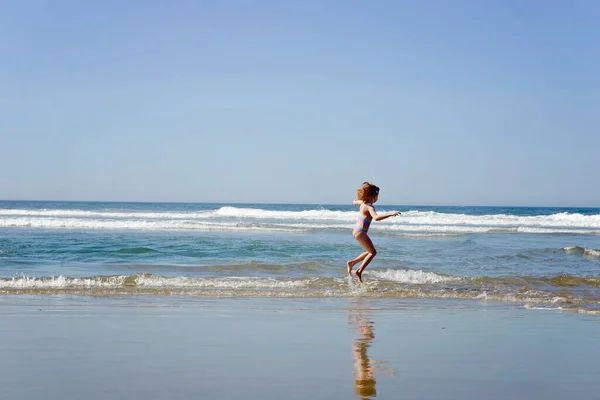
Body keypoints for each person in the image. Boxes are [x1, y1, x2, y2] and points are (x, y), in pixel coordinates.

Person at [347, 182, 400, 283]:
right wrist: (390, 213)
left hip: (356, 231)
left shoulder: (363, 202)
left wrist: (354, 201)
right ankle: (359, 271)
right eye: (377, 196)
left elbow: (356, 202)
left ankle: (351, 263)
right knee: (373, 252)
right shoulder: (370, 207)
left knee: (369, 251)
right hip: (361, 232)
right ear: (373, 196)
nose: (377, 198)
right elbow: (376, 217)